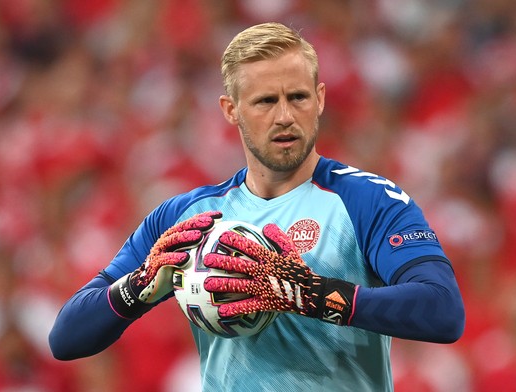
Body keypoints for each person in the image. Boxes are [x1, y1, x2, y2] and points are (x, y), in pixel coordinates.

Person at [49, 22, 465, 391]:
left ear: (320, 99)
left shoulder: (367, 200)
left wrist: (309, 294)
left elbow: (443, 310)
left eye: (298, 97)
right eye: (266, 101)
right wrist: (138, 286)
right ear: (231, 110)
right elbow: (66, 337)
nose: (285, 116)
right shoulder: (187, 216)